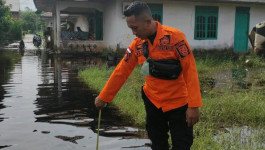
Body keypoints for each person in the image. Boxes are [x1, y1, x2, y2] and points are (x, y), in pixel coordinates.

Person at [94, 1, 202, 150]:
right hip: (153, 102)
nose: (133, 32)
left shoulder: (175, 38)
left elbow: (190, 71)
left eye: (135, 28)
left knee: (182, 144)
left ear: (148, 21)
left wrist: (194, 106)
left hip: (178, 103)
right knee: (157, 143)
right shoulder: (137, 45)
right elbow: (121, 71)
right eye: (130, 28)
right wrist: (104, 97)